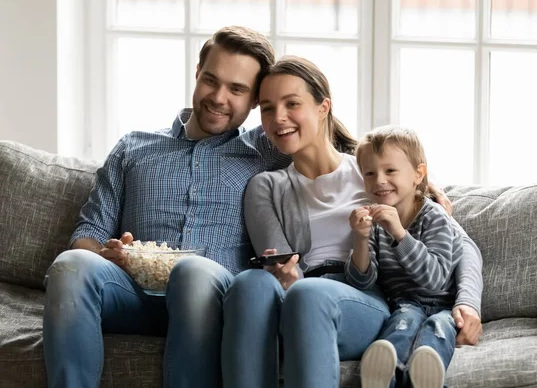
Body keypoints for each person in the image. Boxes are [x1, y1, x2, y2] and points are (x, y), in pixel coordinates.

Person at [42, 26, 291, 388]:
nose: (219, 97)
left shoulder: (266, 153)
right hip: (133, 294)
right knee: (71, 266)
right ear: (197, 74)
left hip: (212, 297)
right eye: (211, 80)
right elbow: (88, 234)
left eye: (237, 89)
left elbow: (326, 149)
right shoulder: (134, 147)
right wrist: (104, 254)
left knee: (192, 274)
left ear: (255, 100)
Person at [221, 56, 483, 388]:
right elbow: (285, 266)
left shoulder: (373, 173)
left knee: (307, 295)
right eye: (268, 108)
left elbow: (463, 246)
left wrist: (467, 304)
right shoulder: (266, 187)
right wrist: (284, 275)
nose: (279, 118)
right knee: (248, 285)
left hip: (362, 298)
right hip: (300, 293)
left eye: (292, 104)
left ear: (322, 107)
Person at [348, 126, 472, 388]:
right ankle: (383, 373)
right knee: (402, 323)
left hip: (444, 305)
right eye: (370, 173)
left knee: (436, 329)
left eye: (390, 171)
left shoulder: (434, 217)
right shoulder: (373, 221)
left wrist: (400, 234)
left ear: (418, 174)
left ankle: (424, 376)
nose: (379, 180)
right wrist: (360, 239)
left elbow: (434, 280)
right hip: (404, 302)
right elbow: (362, 282)